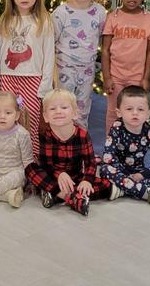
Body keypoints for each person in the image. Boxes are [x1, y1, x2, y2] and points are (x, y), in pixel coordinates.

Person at [26, 89, 112, 218]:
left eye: (64, 107)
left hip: (75, 178)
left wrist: (87, 181)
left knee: (106, 185)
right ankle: (70, 197)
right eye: (53, 109)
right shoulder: (45, 136)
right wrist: (59, 174)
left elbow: (90, 163)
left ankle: (55, 195)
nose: (58, 111)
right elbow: (46, 164)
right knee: (30, 169)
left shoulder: (82, 135)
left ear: (75, 113)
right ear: (45, 116)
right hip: (53, 177)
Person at [0, 0, 54, 159]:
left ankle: (31, 160)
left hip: (33, 79)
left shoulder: (44, 21)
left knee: (29, 121)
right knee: (7, 119)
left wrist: (45, 87)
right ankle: (8, 157)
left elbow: (49, 56)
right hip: (8, 78)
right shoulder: (5, 20)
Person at [101, 0, 150, 133]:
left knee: (135, 114)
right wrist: (107, 77)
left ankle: (132, 148)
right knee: (114, 112)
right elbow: (105, 50)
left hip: (137, 79)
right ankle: (111, 147)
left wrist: (146, 78)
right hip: (116, 77)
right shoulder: (113, 17)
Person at [52, 0, 106, 129]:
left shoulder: (99, 12)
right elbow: (51, 43)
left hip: (87, 69)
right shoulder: (60, 13)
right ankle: (61, 139)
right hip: (64, 69)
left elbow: (104, 39)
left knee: (82, 108)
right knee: (62, 107)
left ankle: (80, 141)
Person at [100, 85, 150, 207]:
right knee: (105, 169)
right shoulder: (117, 128)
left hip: (139, 173)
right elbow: (108, 157)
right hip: (118, 171)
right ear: (119, 112)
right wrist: (122, 174)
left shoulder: (149, 132)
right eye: (129, 109)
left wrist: (142, 175)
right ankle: (145, 193)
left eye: (140, 109)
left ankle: (123, 189)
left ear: (148, 114)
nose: (135, 113)